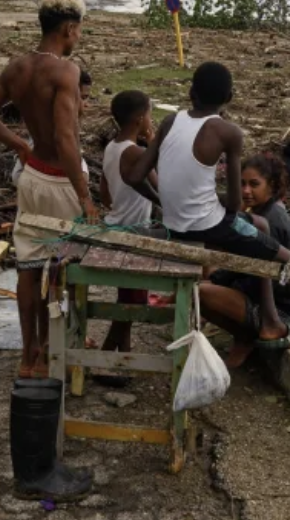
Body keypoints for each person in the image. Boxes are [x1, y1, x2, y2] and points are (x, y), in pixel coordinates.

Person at [124, 61, 290, 378]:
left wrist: (165, 202)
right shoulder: (228, 132)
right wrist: (215, 204)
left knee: (261, 230)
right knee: (289, 259)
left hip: (174, 225)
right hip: (211, 226)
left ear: (191, 92)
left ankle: (268, 321)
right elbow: (236, 203)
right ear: (229, 96)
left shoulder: (170, 122)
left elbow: (134, 175)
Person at [0, 0, 97, 380]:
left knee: (29, 266)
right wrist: (86, 196)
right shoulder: (66, 71)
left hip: (32, 176)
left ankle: (29, 356)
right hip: (61, 180)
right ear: (69, 28)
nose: (78, 38)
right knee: (63, 265)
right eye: (78, 31)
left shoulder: (17, 67)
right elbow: (66, 140)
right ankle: (55, 348)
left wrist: (21, 145)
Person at [200, 152, 290, 368]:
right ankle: (243, 336)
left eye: (254, 184)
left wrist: (217, 282)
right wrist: (218, 279)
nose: (246, 191)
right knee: (201, 284)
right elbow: (245, 263)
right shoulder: (259, 212)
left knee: (199, 292)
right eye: (242, 184)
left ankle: (246, 337)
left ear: (272, 186)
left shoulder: (271, 220)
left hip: (276, 310)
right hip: (257, 294)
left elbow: (257, 276)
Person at [93, 90, 160, 384]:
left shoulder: (112, 147)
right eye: (149, 115)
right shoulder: (135, 152)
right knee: (133, 300)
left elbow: (104, 192)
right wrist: (155, 143)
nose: (151, 120)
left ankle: (118, 355)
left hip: (114, 223)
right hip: (134, 232)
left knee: (129, 297)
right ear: (139, 118)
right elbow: (161, 188)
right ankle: (108, 357)